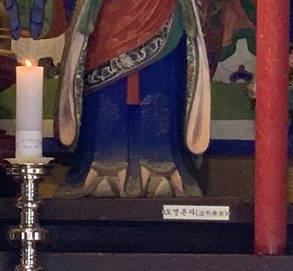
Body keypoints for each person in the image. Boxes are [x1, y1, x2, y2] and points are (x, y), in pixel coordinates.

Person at [56, 0, 210, 198]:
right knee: (107, 91)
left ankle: (160, 164)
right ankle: (104, 164)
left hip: (164, 12)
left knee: (159, 84)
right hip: (108, 13)